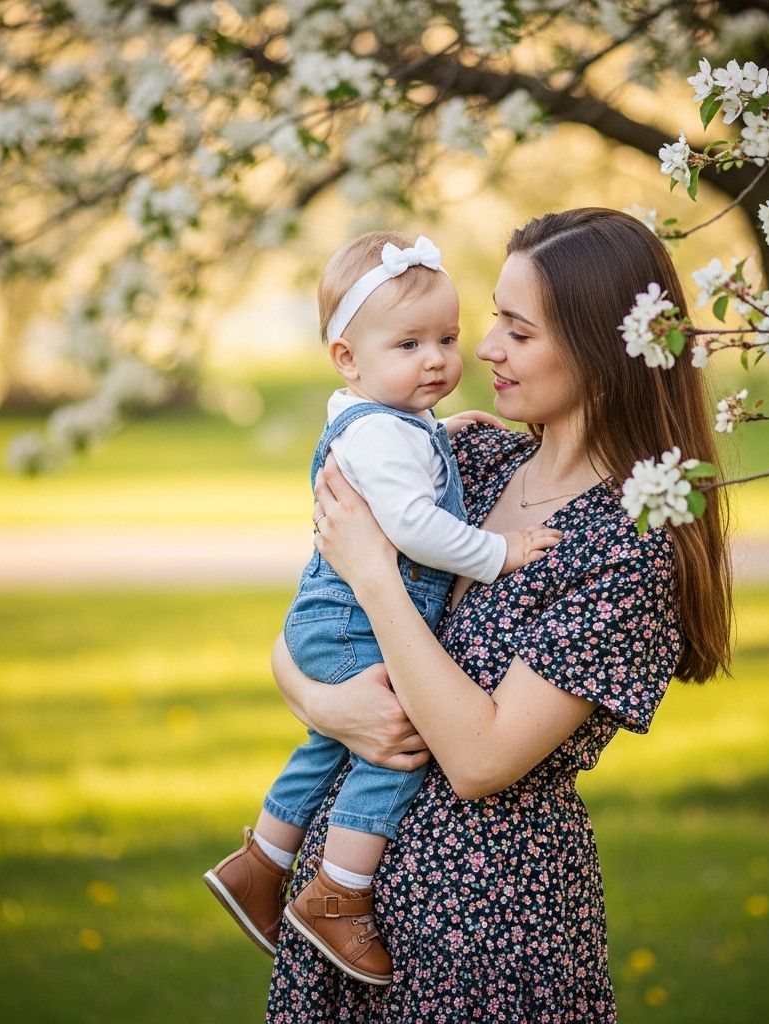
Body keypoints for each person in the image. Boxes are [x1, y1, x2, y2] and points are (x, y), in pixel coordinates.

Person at [264, 208, 733, 1023]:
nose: (482, 350)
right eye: (493, 322)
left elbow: (481, 759)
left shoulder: (628, 549)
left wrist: (378, 580)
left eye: (517, 331)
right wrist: (328, 706)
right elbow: (304, 632)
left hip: (486, 930)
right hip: (344, 916)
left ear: (599, 349)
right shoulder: (471, 462)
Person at [203, 231, 560, 984]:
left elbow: (407, 470)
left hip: (329, 621)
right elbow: (415, 527)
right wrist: (500, 553)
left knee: (329, 742)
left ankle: (261, 863)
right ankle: (339, 891)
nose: (438, 359)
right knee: (402, 735)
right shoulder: (382, 437)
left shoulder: (388, 423)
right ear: (348, 358)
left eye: (446, 338)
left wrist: (441, 436)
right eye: (409, 344)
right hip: (350, 622)